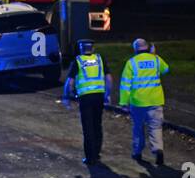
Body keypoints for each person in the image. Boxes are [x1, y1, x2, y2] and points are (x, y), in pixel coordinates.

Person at [118, 38, 170, 166]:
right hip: (155, 101)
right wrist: (155, 54)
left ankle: (137, 152)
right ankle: (158, 149)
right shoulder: (156, 59)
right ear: (148, 47)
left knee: (138, 128)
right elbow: (166, 70)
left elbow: (125, 84)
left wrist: (124, 102)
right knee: (155, 127)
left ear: (135, 49)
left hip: (138, 102)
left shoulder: (131, 63)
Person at [62, 39, 111, 164]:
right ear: (93, 48)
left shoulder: (78, 61)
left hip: (85, 98)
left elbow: (70, 82)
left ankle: (90, 157)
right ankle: (97, 153)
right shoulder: (100, 59)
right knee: (97, 125)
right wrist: (108, 94)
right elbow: (109, 78)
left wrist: (67, 96)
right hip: (99, 96)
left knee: (88, 127)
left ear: (80, 48)